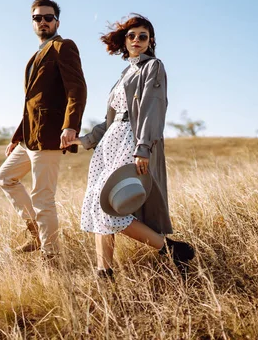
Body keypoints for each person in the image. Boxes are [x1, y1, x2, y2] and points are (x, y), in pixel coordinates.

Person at [65, 14, 194, 279]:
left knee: (111, 207)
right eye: (132, 35)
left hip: (131, 140)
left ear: (151, 41)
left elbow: (151, 110)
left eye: (143, 36)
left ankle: (170, 249)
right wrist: (84, 140)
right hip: (109, 143)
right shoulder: (125, 73)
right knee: (98, 203)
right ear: (124, 40)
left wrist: (143, 147)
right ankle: (104, 274)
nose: (137, 40)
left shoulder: (153, 67)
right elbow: (110, 119)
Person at [0, 0, 87, 259]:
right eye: (38, 18)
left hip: (50, 135)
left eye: (48, 18)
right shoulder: (36, 54)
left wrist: (70, 126)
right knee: (5, 177)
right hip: (30, 136)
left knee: (43, 198)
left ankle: (52, 257)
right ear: (32, 22)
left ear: (56, 22)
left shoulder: (63, 47)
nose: (43, 22)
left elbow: (77, 88)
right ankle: (36, 233)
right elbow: (32, 103)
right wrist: (17, 136)